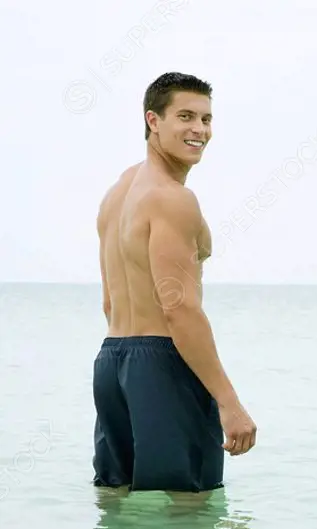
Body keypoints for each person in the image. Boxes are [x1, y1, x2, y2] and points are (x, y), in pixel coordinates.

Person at [93, 71, 256, 494]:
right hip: (162, 365)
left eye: (206, 119)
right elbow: (178, 307)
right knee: (186, 509)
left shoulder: (117, 194)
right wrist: (229, 402)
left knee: (117, 501)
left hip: (112, 363)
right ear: (153, 120)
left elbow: (110, 302)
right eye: (185, 116)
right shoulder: (172, 198)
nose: (199, 130)